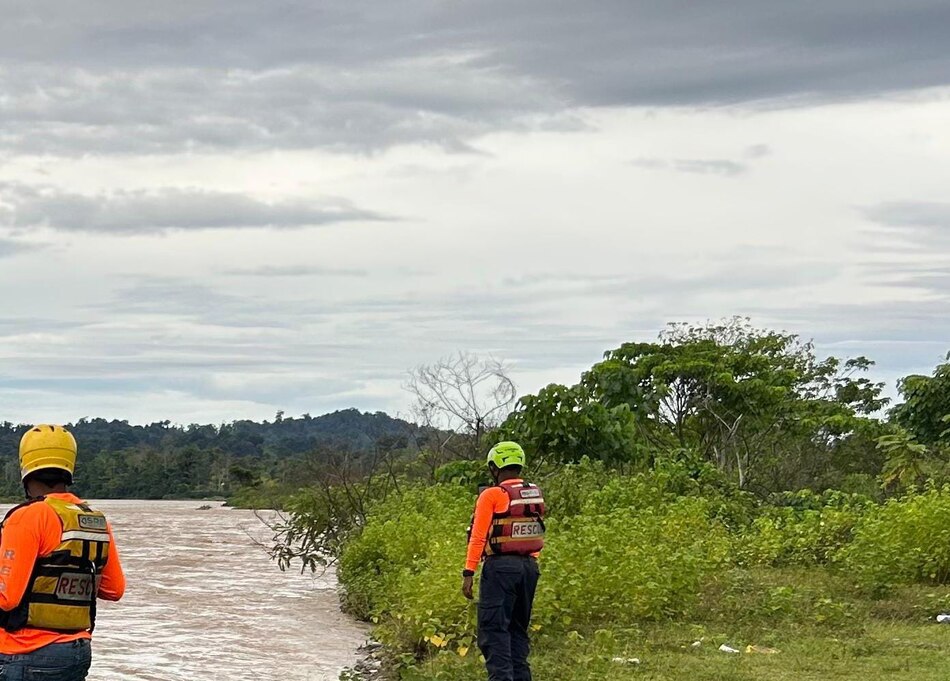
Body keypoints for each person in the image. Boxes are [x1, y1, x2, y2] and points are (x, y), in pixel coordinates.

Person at [0, 424, 126, 680]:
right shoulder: (95, 520)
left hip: (24, 653)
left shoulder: (26, 517)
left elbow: (6, 598)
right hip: (77, 652)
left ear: (25, 468)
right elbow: (114, 590)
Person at [462, 441, 545, 681]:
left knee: (494, 632)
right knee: (517, 632)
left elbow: (478, 536)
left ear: (494, 468)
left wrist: (469, 572)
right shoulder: (533, 492)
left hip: (499, 570)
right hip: (529, 568)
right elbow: (534, 532)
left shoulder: (491, 495)